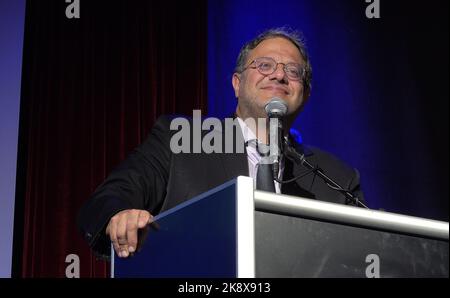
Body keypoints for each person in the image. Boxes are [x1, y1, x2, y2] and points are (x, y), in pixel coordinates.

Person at [77, 28, 364, 260]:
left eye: (293, 71)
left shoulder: (336, 177)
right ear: (237, 84)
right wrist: (120, 214)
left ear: (305, 93)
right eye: (264, 65)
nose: (278, 75)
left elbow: (375, 251)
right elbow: (108, 198)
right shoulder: (182, 140)